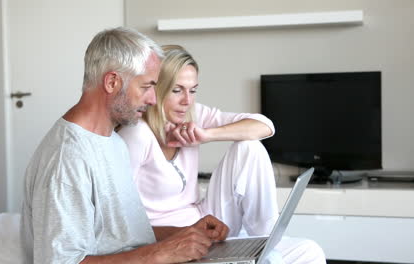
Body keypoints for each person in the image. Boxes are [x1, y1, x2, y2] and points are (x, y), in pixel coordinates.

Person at [20, 28, 229, 264]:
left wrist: (185, 234)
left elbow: (118, 237)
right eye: (146, 86)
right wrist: (161, 253)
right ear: (112, 82)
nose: (152, 99)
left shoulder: (114, 142)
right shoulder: (66, 159)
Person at [118, 45, 327, 263]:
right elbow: (117, 223)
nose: (187, 101)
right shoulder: (136, 135)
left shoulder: (193, 115)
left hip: (207, 222)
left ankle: (266, 243)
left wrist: (207, 134)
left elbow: (265, 126)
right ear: (157, 90)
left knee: (249, 147)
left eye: (193, 90)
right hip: (172, 242)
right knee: (307, 253)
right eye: (177, 90)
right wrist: (183, 234)